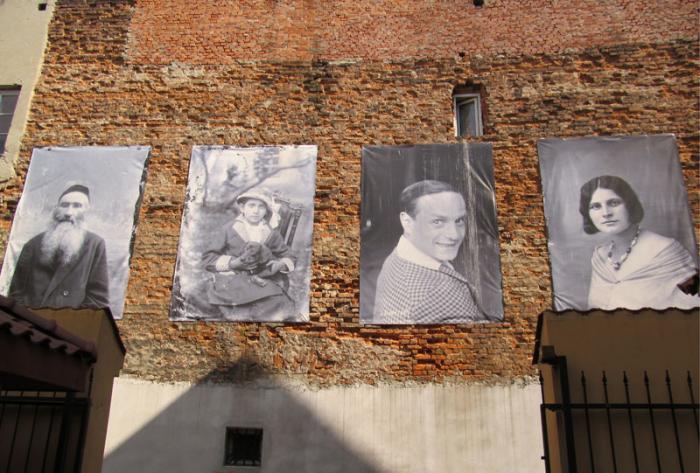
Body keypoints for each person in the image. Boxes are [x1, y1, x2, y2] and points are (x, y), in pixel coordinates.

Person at [579, 175, 699, 310]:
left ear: (630, 205)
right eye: (596, 206)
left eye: (613, 203)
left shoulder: (665, 250)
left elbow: (694, 306)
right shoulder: (600, 257)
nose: (606, 213)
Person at [372, 180, 484, 324]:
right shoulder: (445, 296)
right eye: (437, 221)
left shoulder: (398, 256)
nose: (454, 235)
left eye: (459, 220)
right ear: (407, 222)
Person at [9, 184, 110, 309]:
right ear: (56, 209)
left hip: (70, 319)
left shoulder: (95, 245)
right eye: (64, 205)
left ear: (87, 211)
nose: (68, 213)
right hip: (31, 318)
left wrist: (69, 318)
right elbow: (16, 294)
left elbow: (97, 299)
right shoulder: (33, 245)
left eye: (77, 206)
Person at [202, 189, 296, 320]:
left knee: (279, 304)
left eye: (261, 207)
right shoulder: (228, 229)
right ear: (242, 208)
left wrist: (280, 264)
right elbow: (208, 257)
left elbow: (289, 255)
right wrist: (232, 264)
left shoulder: (270, 232)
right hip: (233, 278)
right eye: (251, 205)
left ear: (266, 210)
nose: (256, 211)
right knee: (208, 300)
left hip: (261, 279)